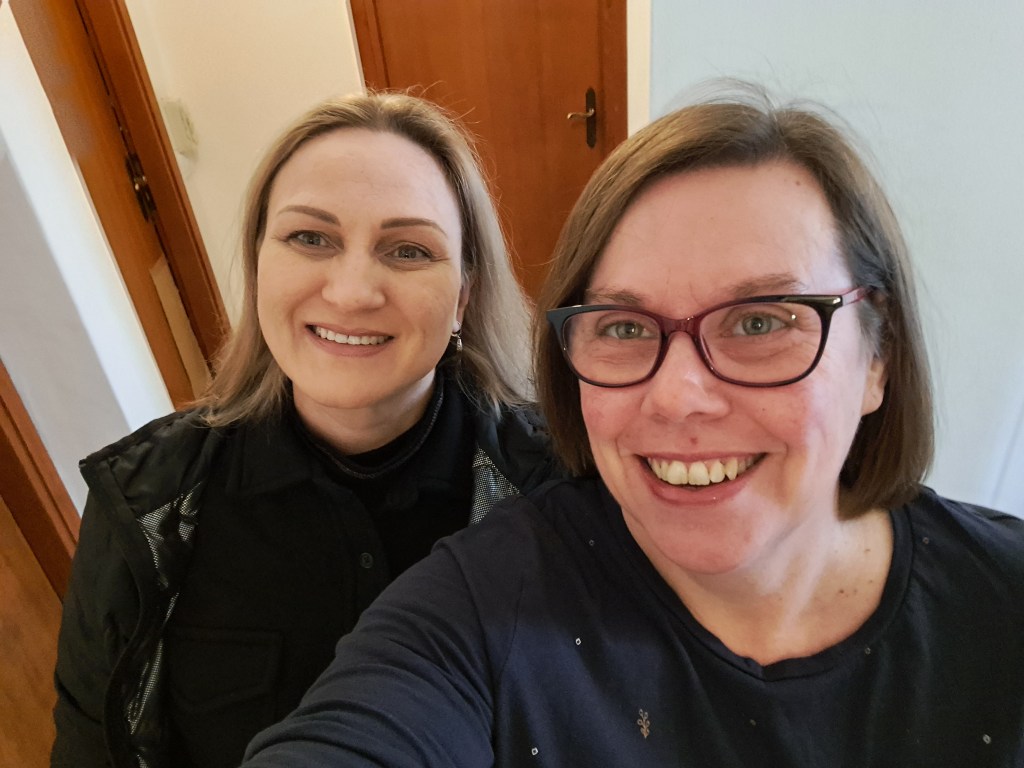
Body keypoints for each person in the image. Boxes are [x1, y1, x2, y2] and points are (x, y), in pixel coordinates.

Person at [240, 84, 1024, 767]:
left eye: (760, 322)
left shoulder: (1001, 601)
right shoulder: (486, 600)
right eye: (622, 326)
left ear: (878, 356)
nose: (678, 397)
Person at [51, 91, 561, 768]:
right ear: (259, 264)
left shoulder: (558, 487)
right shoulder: (145, 508)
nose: (351, 292)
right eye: (310, 238)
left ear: (463, 296)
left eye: (409, 250)